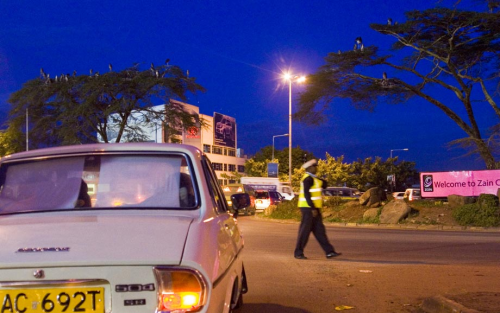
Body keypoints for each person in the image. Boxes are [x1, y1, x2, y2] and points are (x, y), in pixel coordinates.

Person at [294, 159, 341, 260]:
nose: (316, 169)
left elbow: (324, 184)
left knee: (320, 231)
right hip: (308, 208)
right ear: (310, 168)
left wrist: (321, 179)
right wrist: (312, 208)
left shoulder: (314, 179)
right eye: (315, 167)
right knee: (304, 232)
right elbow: (307, 194)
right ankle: (298, 253)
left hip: (314, 208)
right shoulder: (307, 179)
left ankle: (329, 252)